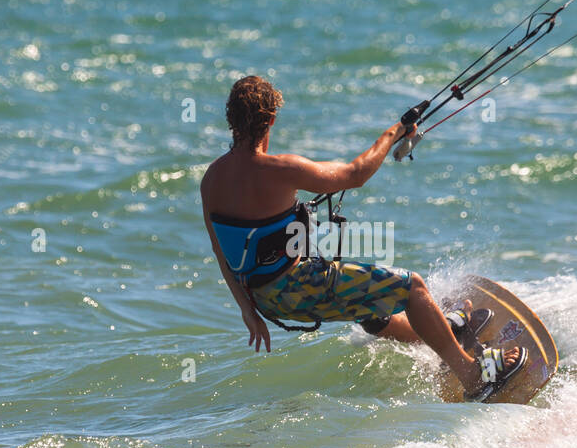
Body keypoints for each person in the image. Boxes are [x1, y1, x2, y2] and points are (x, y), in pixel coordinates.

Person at [200, 76, 526, 400]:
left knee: (369, 304)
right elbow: (356, 174)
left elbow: (220, 249)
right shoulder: (282, 169)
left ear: (230, 118)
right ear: (271, 119)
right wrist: (394, 132)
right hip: (298, 288)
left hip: (264, 299)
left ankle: (443, 331)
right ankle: (472, 374)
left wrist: (248, 310)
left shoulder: (212, 180)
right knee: (412, 287)